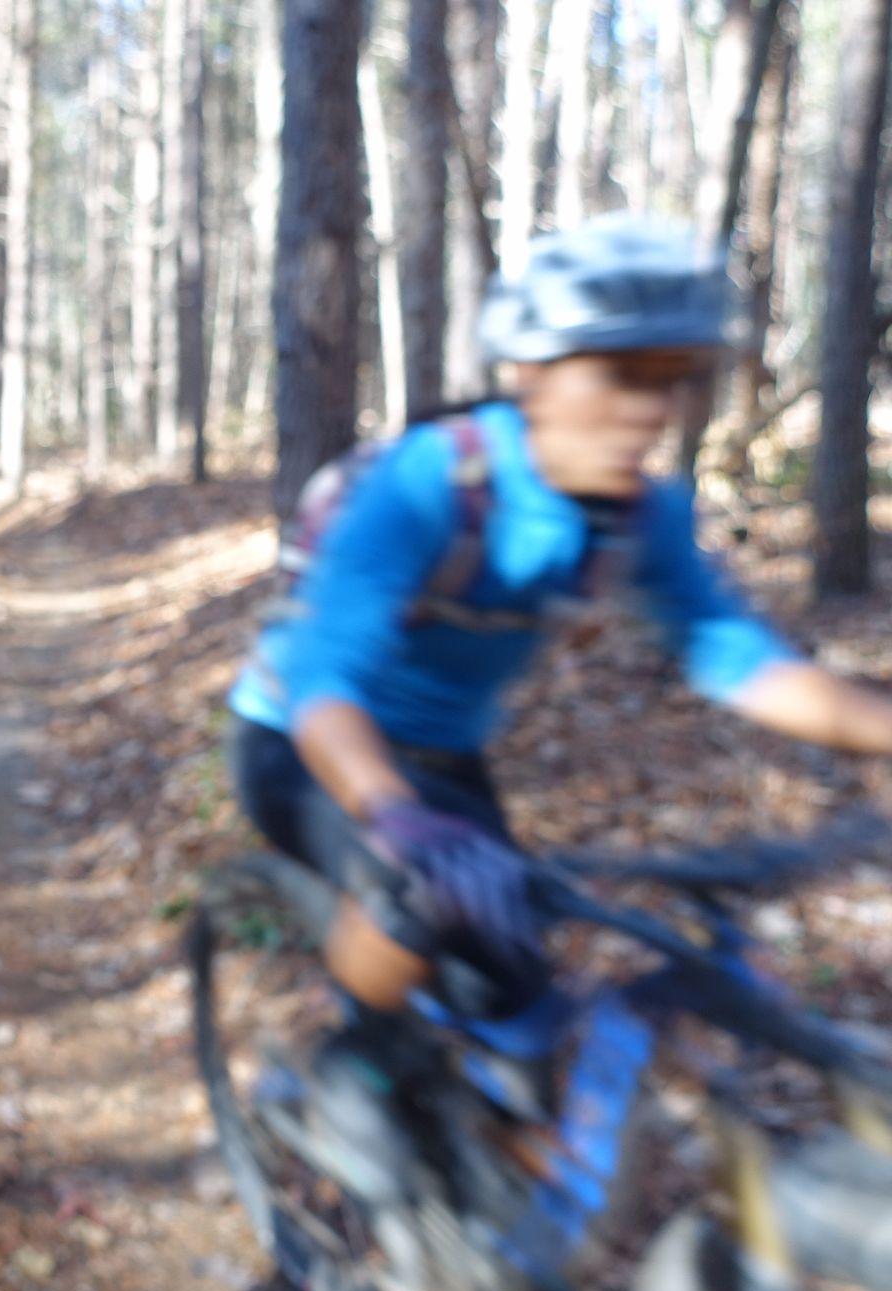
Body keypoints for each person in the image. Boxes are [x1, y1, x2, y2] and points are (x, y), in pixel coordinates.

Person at [229, 214, 892, 1034]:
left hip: (445, 756)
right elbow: (324, 678)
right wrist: (394, 815)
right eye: (619, 373)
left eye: (671, 377)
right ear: (532, 373)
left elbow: (741, 661)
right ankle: (346, 1067)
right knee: (415, 903)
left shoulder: (643, 516)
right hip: (301, 743)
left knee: (518, 990)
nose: (648, 410)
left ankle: (478, 1140)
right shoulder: (434, 478)